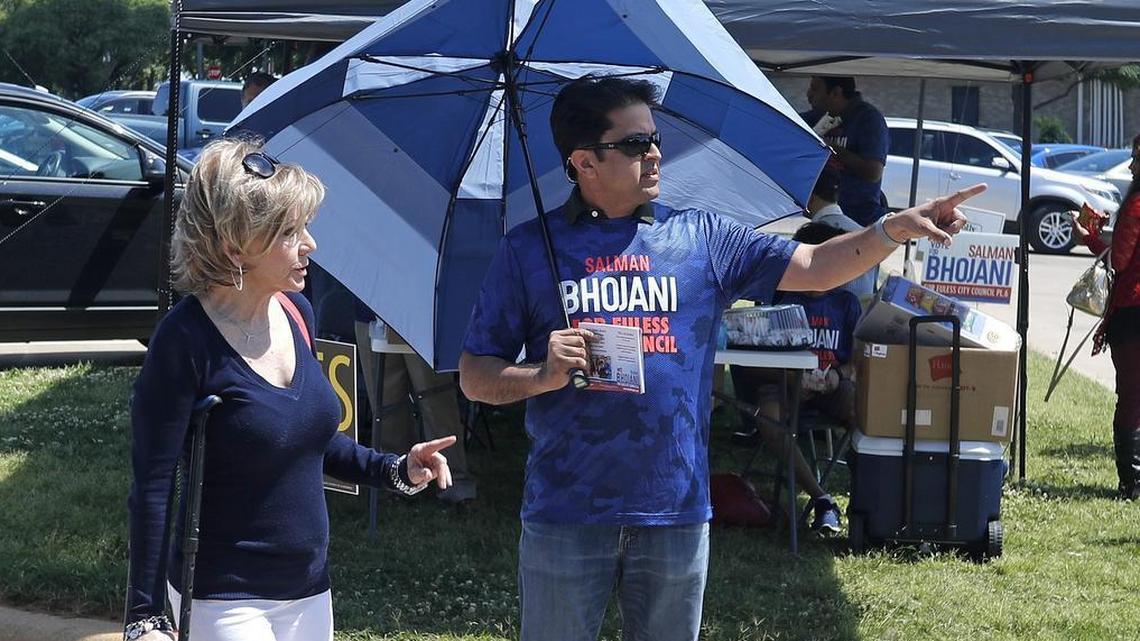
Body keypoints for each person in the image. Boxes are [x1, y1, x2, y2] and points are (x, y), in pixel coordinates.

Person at [458, 76, 982, 641]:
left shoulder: (699, 236)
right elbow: (474, 376)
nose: (655, 153)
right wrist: (541, 375)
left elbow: (814, 267)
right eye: (635, 144)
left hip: (676, 510)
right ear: (584, 161)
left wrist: (890, 229)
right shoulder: (530, 249)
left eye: (655, 139)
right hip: (566, 511)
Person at [124, 138, 456, 641]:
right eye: (288, 233)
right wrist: (144, 616)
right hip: (223, 598)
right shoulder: (184, 340)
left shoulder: (297, 313)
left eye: (305, 228)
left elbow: (312, 441)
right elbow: (152, 487)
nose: (310, 245)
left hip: (308, 592)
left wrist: (395, 469)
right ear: (235, 246)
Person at [730, 222, 864, 535]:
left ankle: (868, 497)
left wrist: (838, 376)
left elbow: (859, 360)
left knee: (865, 411)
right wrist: (793, 379)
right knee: (770, 418)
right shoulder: (779, 299)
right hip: (781, 384)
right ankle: (821, 499)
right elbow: (749, 362)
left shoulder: (846, 304)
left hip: (830, 387)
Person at [1072, 133, 1140, 500]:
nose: (1131, 166)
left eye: (1137, 159)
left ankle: (1132, 483)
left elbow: (1120, 260)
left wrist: (1090, 239)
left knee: (1131, 397)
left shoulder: (1136, 205)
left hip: (1133, 312)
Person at [353, 305, 478, 505]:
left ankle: (453, 482)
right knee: (385, 404)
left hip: (420, 313)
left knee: (435, 399)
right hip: (369, 312)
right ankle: (396, 479)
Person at [805, 75, 889, 226]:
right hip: (821, 216)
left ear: (836, 93)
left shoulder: (868, 119)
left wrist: (830, 148)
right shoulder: (814, 117)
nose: (808, 94)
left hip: (858, 218)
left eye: (815, 89)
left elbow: (873, 172)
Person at [804, 165, 876, 300]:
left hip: (828, 318)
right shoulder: (863, 232)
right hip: (862, 316)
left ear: (810, 198)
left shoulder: (812, 236)